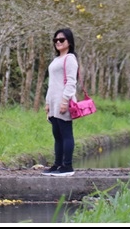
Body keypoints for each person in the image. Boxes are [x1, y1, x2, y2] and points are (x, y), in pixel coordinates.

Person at [42, 28, 78, 176]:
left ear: (69, 42)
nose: (58, 42)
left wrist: (65, 101)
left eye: (61, 40)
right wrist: (48, 103)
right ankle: (57, 164)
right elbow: (52, 83)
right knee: (57, 134)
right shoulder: (57, 59)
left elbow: (71, 81)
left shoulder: (70, 58)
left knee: (66, 134)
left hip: (64, 101)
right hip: (54, 101)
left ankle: (67, 166)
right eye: (55, 40)